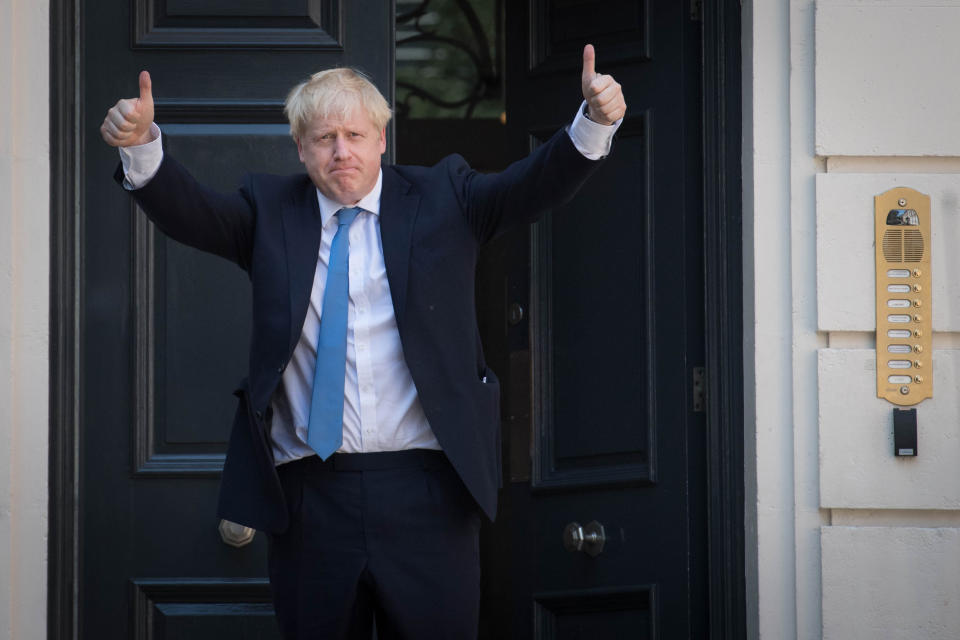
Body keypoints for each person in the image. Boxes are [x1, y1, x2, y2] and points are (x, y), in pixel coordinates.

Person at [100, 44, 625, 639]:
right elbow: (191, 213)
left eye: (354, 133)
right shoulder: (270, 211)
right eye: (323, 138)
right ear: (300, 149)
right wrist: (142, 146)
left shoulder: (445, 197)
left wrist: (594, 122)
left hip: (428, 492)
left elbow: (530, 186)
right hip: (309, 498)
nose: (341, 151)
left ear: (381, 138)